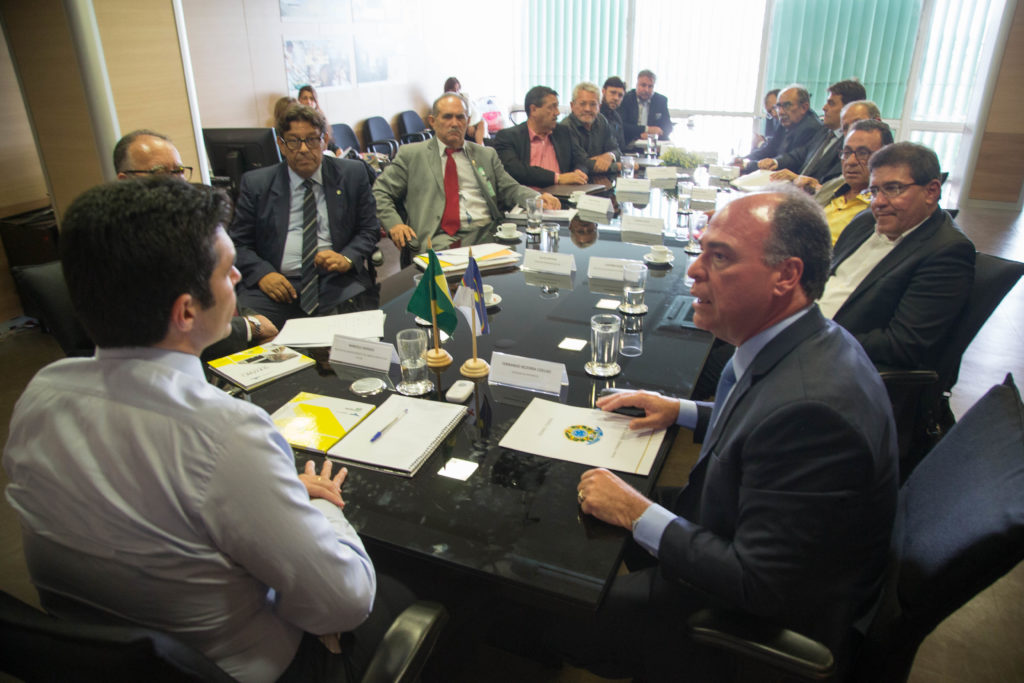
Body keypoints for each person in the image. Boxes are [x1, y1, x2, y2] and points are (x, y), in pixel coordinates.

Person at [3, 177, 408, 682]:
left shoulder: (40, 394)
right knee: (399, 598)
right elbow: (344, 603)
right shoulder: (226, 435)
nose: (239, 276)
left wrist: (267, 493)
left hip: (91, 660)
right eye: (226, 269)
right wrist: (319, 505)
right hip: (242, 669)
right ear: (187, 310)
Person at [555, 188, 897, 681]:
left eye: (720, 257)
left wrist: (636, 512)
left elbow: (757, 584)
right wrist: (683, 410)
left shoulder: (812, 415)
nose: (694, 270)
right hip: (737, 526)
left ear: (787, 275)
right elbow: (763, 413)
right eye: (702, 250)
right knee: (583, 509)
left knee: (545, 599)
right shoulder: (808, 341)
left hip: (743, 615)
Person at [112, 129, 278, 357]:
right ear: (125, 182)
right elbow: (179, 330)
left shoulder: (185, 226)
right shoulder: (124, 247)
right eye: (160, 172)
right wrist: (251, 326)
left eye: (179, 171)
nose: (177, 182)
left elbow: (221, 292)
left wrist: (252, 319)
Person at [819, 141, 976, 370]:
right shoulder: (865, 221)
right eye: (874, 191)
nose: (879, 202)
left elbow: (903, 345)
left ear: (931, 191)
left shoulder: (947, 252)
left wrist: (815, 336)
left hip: (842, 361)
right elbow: (828, 276)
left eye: (893, 189)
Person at [229, 103, 380, 328]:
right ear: (281, 144)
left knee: (349, 341)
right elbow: (238, 244)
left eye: (311, 139)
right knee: (253, 334)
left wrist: (347, 258)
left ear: (324, 140)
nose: (303, 149)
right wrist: (263, 274)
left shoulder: (352, 174)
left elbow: (369, 230)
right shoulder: (257, 183)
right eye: (293, 141)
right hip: (276, 286)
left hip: (336, 282)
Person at [374, 93, 557, 253]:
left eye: (460, 117)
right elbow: (381, 192)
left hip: (488, 233)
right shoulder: (412, 155)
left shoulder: (485, 154)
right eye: (447, 117)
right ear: (432, 121)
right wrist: (395, 225)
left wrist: (537, 198)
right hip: (438, 240)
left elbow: (510, 188)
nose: (454, 123)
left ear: (468, 121)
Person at [767, 79, 867, 183]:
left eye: (831, 104)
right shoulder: (825, 130)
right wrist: (775, 162)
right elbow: (800, 154)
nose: (824, 108)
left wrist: (797, 178)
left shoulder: (850, 144)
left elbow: (831, 183)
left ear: (848, 109)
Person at [493, 85, 589, 190]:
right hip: (529, 200)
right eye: (551, 107)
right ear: (533, 110)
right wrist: (558, 178)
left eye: (557, 106)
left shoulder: (563, 132)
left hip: (563, 197)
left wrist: (579, 172)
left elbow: (581, 160)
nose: (557, 112)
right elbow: (516, 171)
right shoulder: (508, 137)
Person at [815, 119, 894, 243]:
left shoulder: (885, 206)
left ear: (887, 158)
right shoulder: (834, 186)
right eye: (847, 153)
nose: (850, 161)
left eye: (862, 153)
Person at [794, 100, 884, 200]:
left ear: (877, 123)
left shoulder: (883, 189)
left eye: (857, 124)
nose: (851, 132)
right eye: (845, 128)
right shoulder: (842, 172)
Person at [745, 85, 821, 171]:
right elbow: (768, 150)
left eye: (787, 105)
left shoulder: (810, 128)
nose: (780, 112)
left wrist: (748, 165)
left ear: (804, 107)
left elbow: (791, 162)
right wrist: (743, 160)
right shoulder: (786, 122)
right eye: (778, 106)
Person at [559, 81, 620, 181]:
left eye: (592, 104)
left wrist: (609, 156)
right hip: (575, 184)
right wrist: (617, 166)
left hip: (600, 181)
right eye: (582, 104)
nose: (587, 109)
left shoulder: (601, 120)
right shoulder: (565, 127)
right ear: (572, 105)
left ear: (599, 107)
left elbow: (616, 150)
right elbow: (583, 163)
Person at [619, 69, 674, 145]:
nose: (646, 89)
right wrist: (645, 130)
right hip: (630, 144)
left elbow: (668, 126)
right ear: (637, 84)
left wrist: (652, 136)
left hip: (652, 144)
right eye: (643, 85)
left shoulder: (661, 100)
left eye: (650, 86)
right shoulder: (626, 99)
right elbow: (622, 126)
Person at [297, 84, 340, 154]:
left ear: (316, 102)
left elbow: (327, 142)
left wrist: (337, 150)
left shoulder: (319, 119)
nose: (308, 102)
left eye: (312, 99)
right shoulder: (296, 121)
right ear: (299, 100)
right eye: (305, 98)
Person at [443, 77, 485, 144]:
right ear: (448, 90)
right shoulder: (443, 102)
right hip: (459, 125)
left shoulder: (463, 99)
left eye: (458, 89)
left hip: (468, 123)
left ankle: (481, 148)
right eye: (454, 90)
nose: (457, 92)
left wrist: (471, 125)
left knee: (482, 122)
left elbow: (470, 112)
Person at [600, 76, 627, 152]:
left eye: (620, 95)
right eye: (613, 93)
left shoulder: (617, 117)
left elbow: (622, 148)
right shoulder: (595, 115)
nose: (616, 98)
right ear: (603, 92)